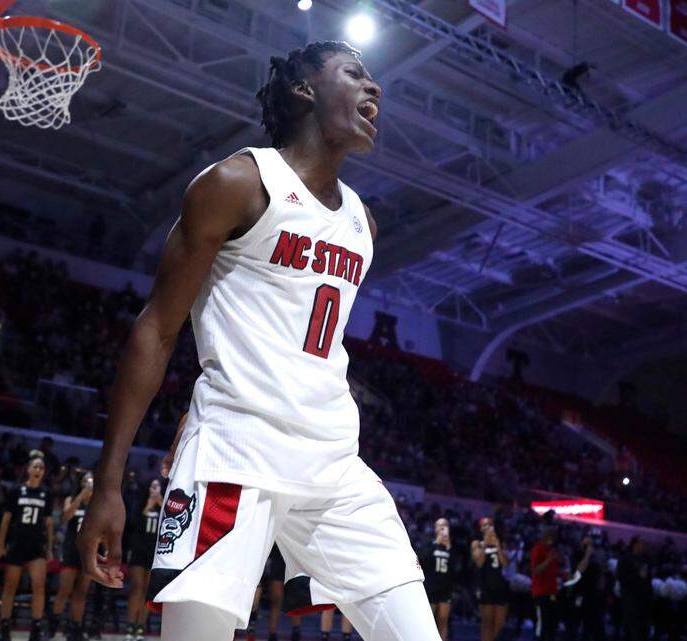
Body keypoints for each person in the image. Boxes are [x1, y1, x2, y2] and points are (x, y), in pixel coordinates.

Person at [79, 39, 440, 641]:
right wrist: (109, 484)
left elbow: (296, 334)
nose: (374, 88)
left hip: (333, 461)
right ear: (304, 89)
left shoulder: (362, 221)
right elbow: (158, 327)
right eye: (354, 74)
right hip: (233, 452)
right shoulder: (237, 181)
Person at [0, 456, 54, 641]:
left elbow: (49, 523)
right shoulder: (16, 490)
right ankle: (4, 626)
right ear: (28, 469)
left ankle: (36, 627)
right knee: (10, 587)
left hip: (37, 545)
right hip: (17, 543)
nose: (38, 469)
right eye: (35, 466)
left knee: (39, 587)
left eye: (41, 467)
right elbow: (6, 520)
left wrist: (50, 548)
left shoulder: (46, 493)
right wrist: (0, 545)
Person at [51, 470, 94, 641]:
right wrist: (81, 496)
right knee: (65, 590)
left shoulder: (97, 504)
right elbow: (65, 517)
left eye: (91, 482)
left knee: (81, 592)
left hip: (88, 552)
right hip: (70, 549)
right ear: (81, 483)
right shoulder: (71, 498)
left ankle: (75, 628)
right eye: (86, 481)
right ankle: (54, 625)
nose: (88, 484)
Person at [123, 478, 163, 641]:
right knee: (136, 588)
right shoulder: (141, 505)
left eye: (158, 486)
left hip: (154, 552)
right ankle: (130, 625)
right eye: (153, 486)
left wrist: (160, 504)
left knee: (148, 592)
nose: (155, 489)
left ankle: (140, 627)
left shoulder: (164, 506)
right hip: (139, 550)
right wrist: (148, 506)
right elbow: (132, 525)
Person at [471, 517, 510, 641]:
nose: (488, 527)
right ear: (481, 528)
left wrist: (498, 546)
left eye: (490, 524)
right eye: (485, 525)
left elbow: (505, 563)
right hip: (485, 585)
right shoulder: (477, 543)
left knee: (499, 623)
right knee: (487, 624)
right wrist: (486, 543)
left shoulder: (500, 542)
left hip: (500, 585)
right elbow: (479, 562)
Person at [422, 517, 455, 640]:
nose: (442, 528)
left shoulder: (452, 546)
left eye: (445, 525)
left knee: (443, 620)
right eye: (439, 525)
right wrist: (436, 542)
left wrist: (449, 547)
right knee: (428, 621)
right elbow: (423, 561)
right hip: (431, 587)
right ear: (435, 528)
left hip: (446, 588)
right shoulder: (430, 544)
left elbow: (456, 568)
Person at [616, 537, 652, 641]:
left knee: (639, 631)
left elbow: (647, 579)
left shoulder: (645, 560)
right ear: (635, 544)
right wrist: (637, 575)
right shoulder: (625, 559)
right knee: (633, 630)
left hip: (643, 601)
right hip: (630, 600)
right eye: (642, 543)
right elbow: (620, 577)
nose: (644, 546)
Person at [530, 525, 560, 641]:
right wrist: (548, 560)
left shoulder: (552, 550)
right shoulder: (537, 549)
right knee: (541, 625)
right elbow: (535, 570)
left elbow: (553, 571)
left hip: (552, 592)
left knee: (551, 625)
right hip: (540, 593)